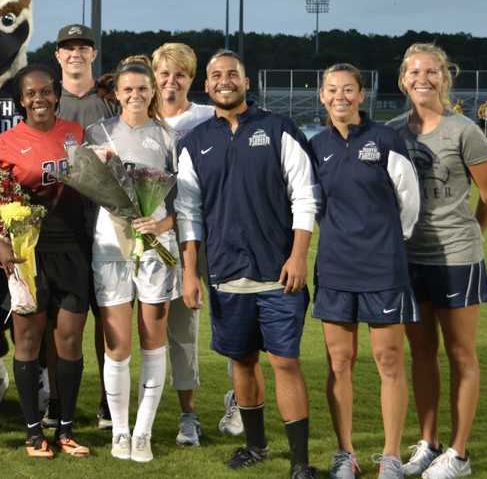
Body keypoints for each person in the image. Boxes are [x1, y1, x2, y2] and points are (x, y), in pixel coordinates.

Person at [175, 50, 318, 478]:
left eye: (232, 74)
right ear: (208, 86)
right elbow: (189, 213)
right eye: (216, 75)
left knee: (285, 362)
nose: (224, 81)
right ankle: (255, 447)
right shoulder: (195, 142)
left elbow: (305, 196)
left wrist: (298, 256)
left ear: (246, 82)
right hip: (224, 273)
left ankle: (299, 462)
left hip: (278, 273)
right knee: (242, 362)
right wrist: (189, 272)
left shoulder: (279, 129)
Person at [388, 44, 487, 479]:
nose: (423, 78)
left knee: (461, 354)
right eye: (414, 71)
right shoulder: (394, 132)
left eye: (432, 71)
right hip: (409, 257)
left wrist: (469, 235)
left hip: (456, 256)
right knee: (420, 353)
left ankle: (458, 453)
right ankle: (429, 442)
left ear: (444, 78)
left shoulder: (464, 130)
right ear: (402, 79)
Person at [311, 63, 421, 479]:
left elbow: (409, 203)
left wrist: (390, 241)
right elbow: (313, 205)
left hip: (383, 268)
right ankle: (346, 455)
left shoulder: (385, 139)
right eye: (332, 89)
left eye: (348, 89)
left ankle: (391, 457)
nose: (340, 96)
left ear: (361, 95)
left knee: (389, 359)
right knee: (340, 362)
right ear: (323, 96)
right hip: (336, 269)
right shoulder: (316, 145)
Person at [0, 64, 91, 459]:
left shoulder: (75, 134)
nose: (39, 99)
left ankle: (65, 428)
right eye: (31, 94)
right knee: (29, 341)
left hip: (73, 249)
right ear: (21, 100)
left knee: (68, 339)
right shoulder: (6, 142)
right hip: (27, 252)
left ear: (56, 94)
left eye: (45, 91)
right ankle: (34, 434)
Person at [87, 59, 176, 463]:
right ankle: (119, 432)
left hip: (157, 247)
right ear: (116, 93)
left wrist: (160, 226)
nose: (136, 95)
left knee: (152, 341)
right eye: (129, 89)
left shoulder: (169, 135)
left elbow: (184, 201)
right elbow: (91, 188)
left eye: (143, 88)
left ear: (153, 91)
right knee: (117, 345)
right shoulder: (98, 134)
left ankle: (144, 432)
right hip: (111, 247)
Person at [151, 42, 238, 444]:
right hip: (159, 240)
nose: (171, 82)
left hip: (212, 234)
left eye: (180, 75)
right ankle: (188, 414)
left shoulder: (207, 116)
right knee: (179, 328)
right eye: (164, 74)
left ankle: (240, 395)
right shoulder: (138, 118)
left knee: (232, 316)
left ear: (192, 79)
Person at [52, 24, 118, 431]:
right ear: (58, 56)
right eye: (67, 48)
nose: (75, 54)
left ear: (93, 54)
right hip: (58, 226)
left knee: (107, 316)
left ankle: (110, 403)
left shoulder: (108, 103)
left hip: (104, 223)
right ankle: (54, 396)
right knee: (57, 321)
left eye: (82, 47)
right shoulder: (45, 99)